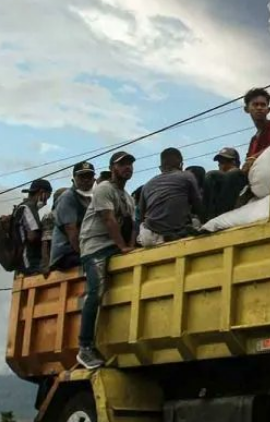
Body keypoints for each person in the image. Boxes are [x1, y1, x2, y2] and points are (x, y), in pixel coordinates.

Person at [77, 151, 137, 370]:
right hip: (95, 247)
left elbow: (131, 224)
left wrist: (130, 248)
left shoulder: (128, 197)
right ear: (113, 168)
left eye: (130, 164)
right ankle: (84, 347)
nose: (127, 167)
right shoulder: (104, 189)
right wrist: (123, 247)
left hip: (114, 246)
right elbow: (109, 220)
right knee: (96, 291)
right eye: (122, 164)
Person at [137, 148, 204, 247]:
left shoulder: (147, 185)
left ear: (161, 167)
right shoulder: (187, 176)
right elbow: (199, 206)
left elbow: (140, 216)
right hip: (179, 231)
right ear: (181, 164)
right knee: (196, 221)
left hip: (154, 236)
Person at [48, 161, 96, 271]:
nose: (86, 180)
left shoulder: (91, 198)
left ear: (94, 178)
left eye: (89, 176)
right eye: (82, 176)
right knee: (97, 262)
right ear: (74, 178)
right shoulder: (68, 198)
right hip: (65, 255)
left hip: (83, 248)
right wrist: (86, 255)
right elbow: (72, 232)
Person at [243, 88, 270, 174]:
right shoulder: (253, 140)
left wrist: (254, 158)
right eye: (255, 104)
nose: (259, 108)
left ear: (268, 109)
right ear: (246, 109)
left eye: (263, 105)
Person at [16, 179, 52, 275]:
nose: (46, 201)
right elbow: (32, 236)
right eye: (47, 197)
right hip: (29, 260)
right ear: (42, 192)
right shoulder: (28, 208)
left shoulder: (24, 207)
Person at [205, 147, 249, 219]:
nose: (219, 165)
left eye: (222, 162)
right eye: (219, 163)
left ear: (233, 162)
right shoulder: (216, 183)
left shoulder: (238, 176)